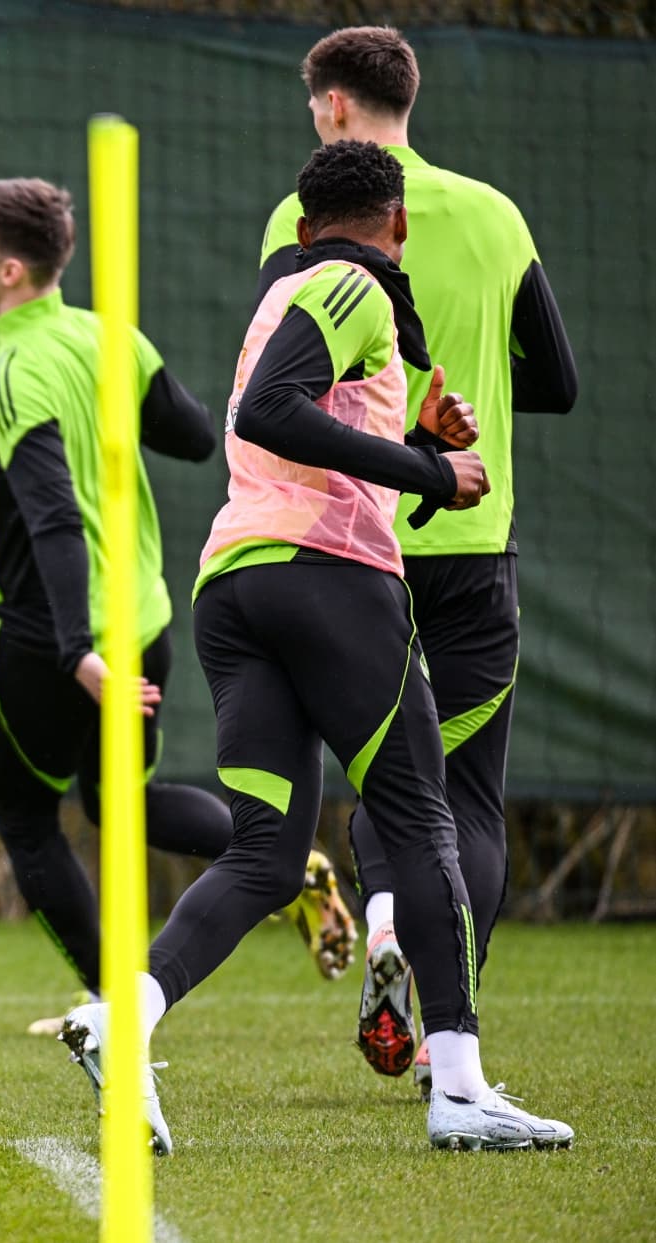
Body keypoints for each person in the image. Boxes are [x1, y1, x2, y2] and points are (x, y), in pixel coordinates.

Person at [65, 140, 572, 1154]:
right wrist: (430, 474)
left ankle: (122, 1019)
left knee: (263, 853)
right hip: (327, 584)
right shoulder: (354, 285)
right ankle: (459, 1086)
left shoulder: (289, 291)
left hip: (236, 586)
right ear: (397, 226)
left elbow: (304, 438)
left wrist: (417, 450)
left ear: (299, 229)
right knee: (422, 820)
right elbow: (272, 413)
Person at [0, 177, 354, 1032]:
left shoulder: (13, 372)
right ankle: (293, 864)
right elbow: (196, 435)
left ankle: (111, 1001)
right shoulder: (111, 340)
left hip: (52, 644)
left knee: (24, 814)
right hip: (145, 624)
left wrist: (73, 652)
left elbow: (55, 521)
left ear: (11, 270)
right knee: (120, 800)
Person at [258, 27, 578, 1090]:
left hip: (354, 546)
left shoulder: (299, 221)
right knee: (468, 799)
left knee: (387, 782)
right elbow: (558, 382)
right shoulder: (494, 215)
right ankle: (450, 1039)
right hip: (475, 544)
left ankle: (388, 915)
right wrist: (467, 383)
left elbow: (275, 380)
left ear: (334, 106)